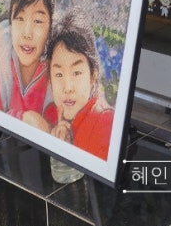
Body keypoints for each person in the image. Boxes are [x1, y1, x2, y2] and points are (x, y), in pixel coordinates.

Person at [24, 10, 114, 161]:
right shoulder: (51, 114)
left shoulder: (104, 121)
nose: (68, 88)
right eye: (59, 74)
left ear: (93, 75)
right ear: (50, 78)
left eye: (76, 73)